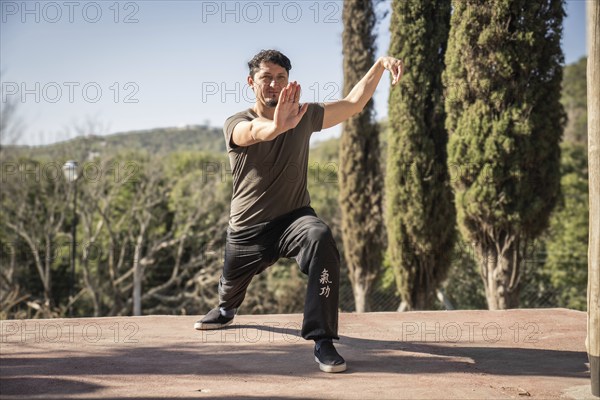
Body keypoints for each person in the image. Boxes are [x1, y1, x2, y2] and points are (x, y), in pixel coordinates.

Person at [195, 49, 403, 373]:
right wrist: (277, 127)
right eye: (267, 78)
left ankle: (322, 339)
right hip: (248, 230)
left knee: (321, 237)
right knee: (229, 287)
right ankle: (225, 309)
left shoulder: (303, 115)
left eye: (281, 78)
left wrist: (378, 65)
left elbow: (353, 104)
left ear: (289, 82)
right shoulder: (237, 123)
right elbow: (252, 134)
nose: (274, 85)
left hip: (294, 218)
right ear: (251, 82)